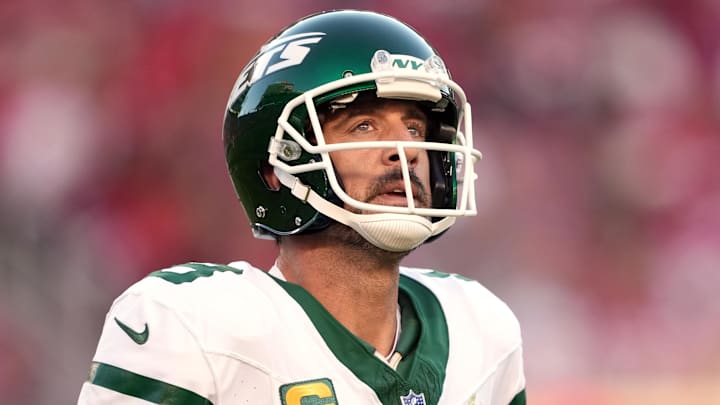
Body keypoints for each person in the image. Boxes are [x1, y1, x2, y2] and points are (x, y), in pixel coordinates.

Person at [78, 9, 527, 405]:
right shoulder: (192, 324)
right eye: (364, 125)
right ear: (276, 168)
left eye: (413, 127)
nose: (405, 150)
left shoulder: (481, 329)